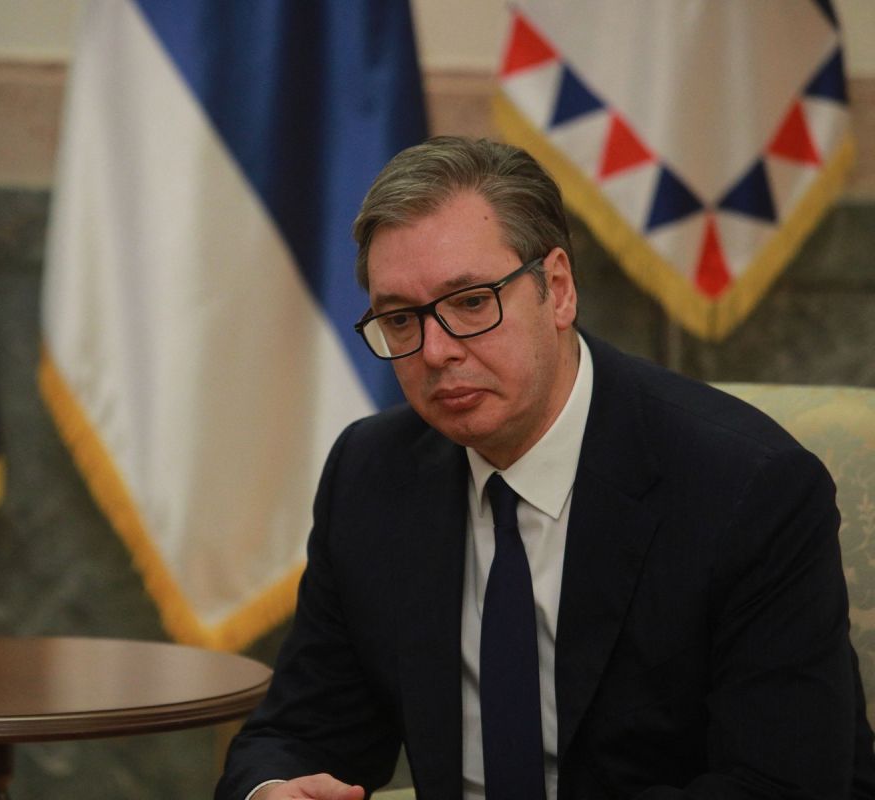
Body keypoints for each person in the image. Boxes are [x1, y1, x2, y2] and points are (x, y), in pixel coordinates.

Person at [215, 136, 875, 799]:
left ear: (556, 290)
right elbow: (303, 728)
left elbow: (777, 783)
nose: (436, 351)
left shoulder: (746, 488)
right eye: (401, 319)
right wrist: (271, 790)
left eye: (471, 302)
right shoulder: (372, 474)